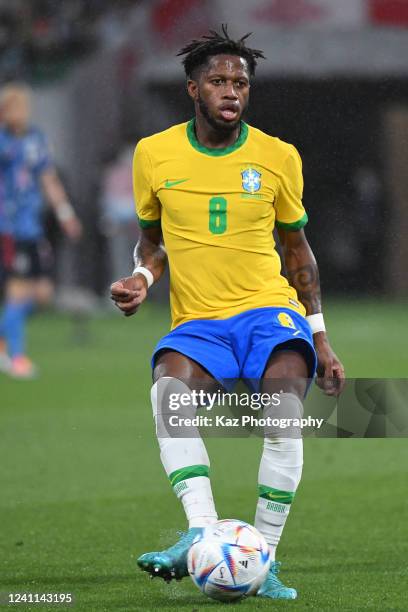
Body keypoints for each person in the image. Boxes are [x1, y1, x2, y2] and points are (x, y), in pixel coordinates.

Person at [110, 25, 344, 600]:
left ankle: (264, 556)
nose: (232, 90)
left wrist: (322, 338)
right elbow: (152, 241)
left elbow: (297, 252)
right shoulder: (154, 154)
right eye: (218, 80)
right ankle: (201, 533)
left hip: (270, 311)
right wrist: (141, 278)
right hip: (198, 321)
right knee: (169, 395)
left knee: (283, 415)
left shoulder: (277, 156)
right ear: (193, 89)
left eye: (240, 81)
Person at [0, 82, 82, 378]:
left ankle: (3, 337)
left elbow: (48, 179)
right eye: (16, 107)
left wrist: (65, 214)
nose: (22, 113)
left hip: (32, 227)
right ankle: (16, 357)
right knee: (17, 292)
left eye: (25, 107)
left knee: (43, 294)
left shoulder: (36, 139)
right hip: (8, 229)